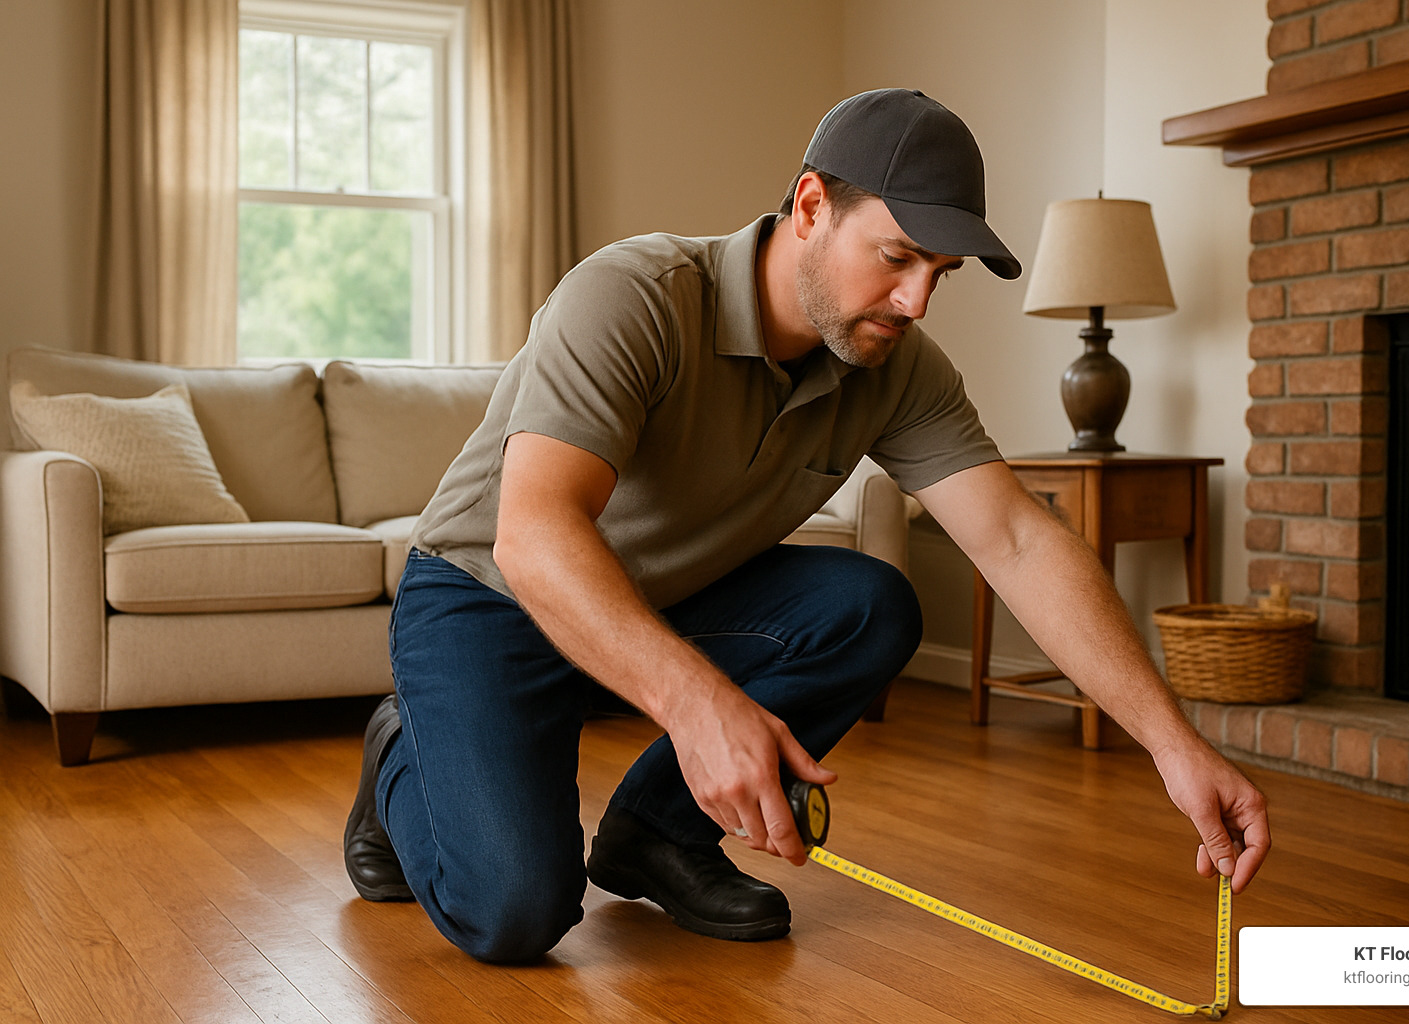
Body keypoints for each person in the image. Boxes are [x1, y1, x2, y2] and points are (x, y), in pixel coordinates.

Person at [343, 88, 1270, 963]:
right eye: (898, 257)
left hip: (665, 597)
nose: (916, 302)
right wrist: (700, 708)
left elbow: (1018, 543)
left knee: (869, 604)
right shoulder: (634, 295)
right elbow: (535, 535)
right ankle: (400, 749)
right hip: (488, 595)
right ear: (812, 205)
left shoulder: (898, 366)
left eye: (939, 274)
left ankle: (656, 836)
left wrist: (1173, 744)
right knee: (515, 913)